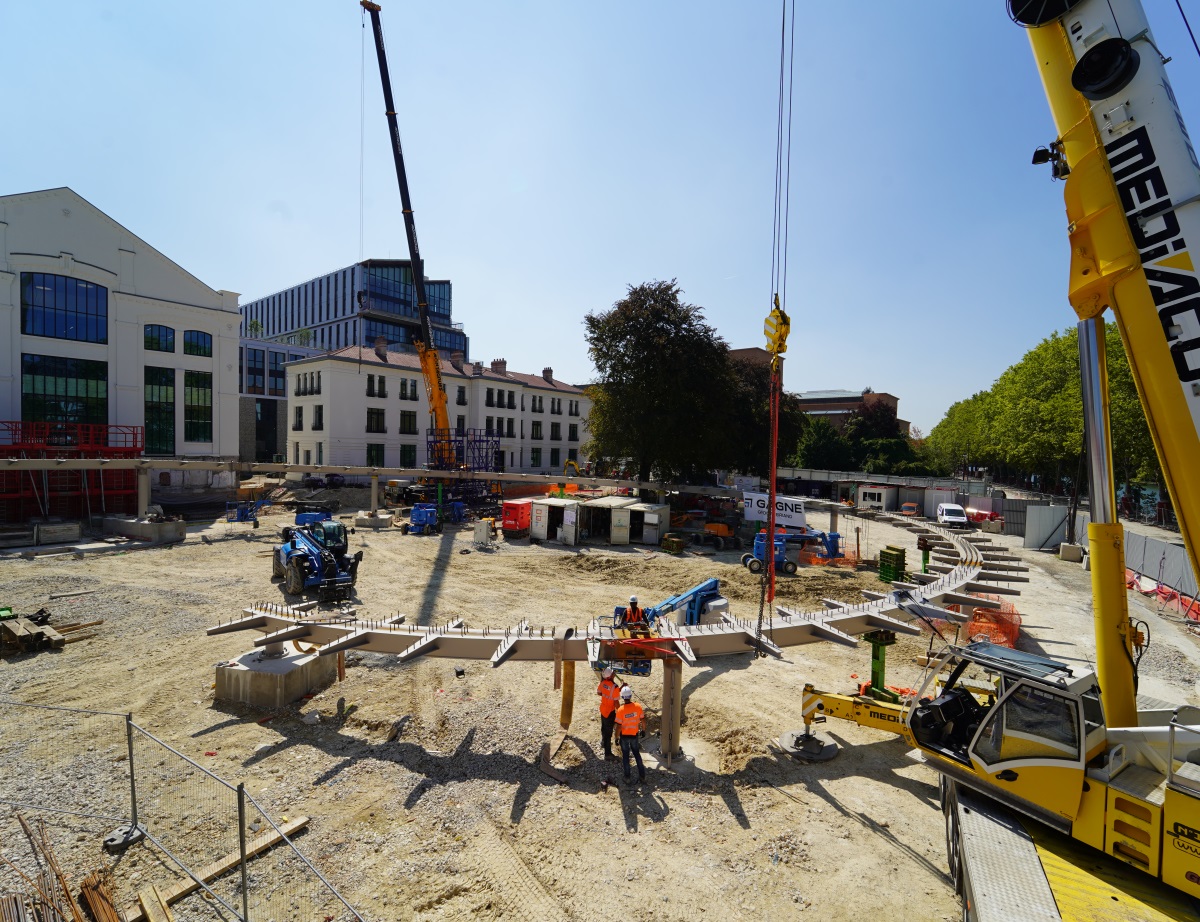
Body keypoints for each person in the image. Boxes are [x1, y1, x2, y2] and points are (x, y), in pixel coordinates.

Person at [614, 685, 646, 784]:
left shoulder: (620, 710)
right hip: (634, 735)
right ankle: (642, 776)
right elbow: (643, 720)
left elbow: (619, 726)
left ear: (622, 697)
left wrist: (616, 737)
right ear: (630, 696)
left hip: (624, 736)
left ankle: (627, 778)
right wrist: (643, 730)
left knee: (626, 756)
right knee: (637, 754)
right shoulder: (638, 706)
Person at [597, 666, 622, 761]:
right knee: (608, 732)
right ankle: (607, 754)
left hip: (603, 709)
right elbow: (616, 702)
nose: (614, 673)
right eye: (613, 673)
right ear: (611, 675)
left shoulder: (603, 683)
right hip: (610, 712)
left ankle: (603, 742)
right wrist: (620, 712)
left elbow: (599, 692)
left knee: (603, 727)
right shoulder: (614, 687)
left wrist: (606, 695)